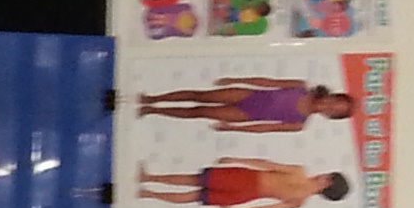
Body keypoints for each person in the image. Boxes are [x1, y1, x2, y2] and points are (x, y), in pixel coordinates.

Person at [133, 76, 356, 133]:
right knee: (200, 95)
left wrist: (234, 128)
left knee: (198, 112)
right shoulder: (301, 86)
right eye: (336, 103)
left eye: (336, 112)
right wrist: (235, 80)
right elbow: (268, 82)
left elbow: (265, 128)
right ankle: (152, 98)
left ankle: (152, 110)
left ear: (331, 116)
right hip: (247, 95)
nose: (331, 107)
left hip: (245, 115)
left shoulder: (299, 124)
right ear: (334, 96)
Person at [134, 161, 350, 208]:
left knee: (195, 182)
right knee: (195, 194)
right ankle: (148, 192)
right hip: (248, 193)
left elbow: (266, 164)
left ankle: (150, 179)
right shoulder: (299, 201)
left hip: (247, 180)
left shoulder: (298, 172)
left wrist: (239, 159)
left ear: (327, 182)